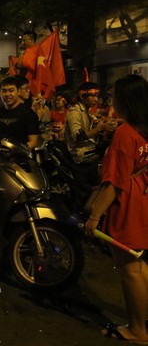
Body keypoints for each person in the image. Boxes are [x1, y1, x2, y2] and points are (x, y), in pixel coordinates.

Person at [84, 74, 148, 343]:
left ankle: (137, 330)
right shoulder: (144, 128)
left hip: (129, 207)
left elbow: (114, 184)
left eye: (113, 97)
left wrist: (94, 216)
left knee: (129, 270)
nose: (110, 101)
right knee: (141, 266)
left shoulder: (124, 133)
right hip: (144, 199)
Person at [65, 82, 116, 163]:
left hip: (90, 149)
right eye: (92, 96)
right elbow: (77, 136)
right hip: (81, 154)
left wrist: (108, 123)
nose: (96, 99)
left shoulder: (86, 111)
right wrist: (100, 128)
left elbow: (97, 122)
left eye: (96, 96)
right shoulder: (74, 112)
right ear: (82, 96)